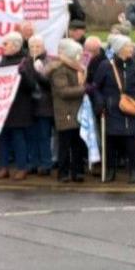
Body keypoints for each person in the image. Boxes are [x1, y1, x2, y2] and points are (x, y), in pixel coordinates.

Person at [94, 34, 135, 183]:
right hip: (112, 109)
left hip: (131, 108)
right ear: (120, 49)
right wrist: (100, 103)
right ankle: (111, 170)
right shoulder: (106, 66)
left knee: (131, 141)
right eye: (128, 46)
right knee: (111, 142)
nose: (132, 48)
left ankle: (134, 171)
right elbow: (96, 87)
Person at [0, 32, 42, 180]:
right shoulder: (2, 62)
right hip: (2, 107)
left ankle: (22, 167)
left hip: (20, 107)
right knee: (3, 138)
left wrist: (24, 75)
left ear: (15, 45)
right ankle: (3, 167)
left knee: (18, 137)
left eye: (5, 44)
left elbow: (32, 85)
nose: (3, 47)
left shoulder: (25, 61)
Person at [49, 39, 90, 182]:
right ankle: (63, 172)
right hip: (65, 111)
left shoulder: (78, 68)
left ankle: (77, 171)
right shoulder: (60, 69)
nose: (80, 56)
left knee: (77, 143)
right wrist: (84, 89)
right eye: (77, 54)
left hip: (77, 110)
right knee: (65, 144)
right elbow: (63, 91)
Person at [26, 35, 55, 175]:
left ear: (43, 47)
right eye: (32, 46)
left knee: (44, 136)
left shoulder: (49, 62)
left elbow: (50, 84)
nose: (34, 49)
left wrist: (37, 73)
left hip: (44, 105)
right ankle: (33, 162)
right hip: (30, 104)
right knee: (31, 136)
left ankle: (46, 164)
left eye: (37, 46)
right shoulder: (26, 62)